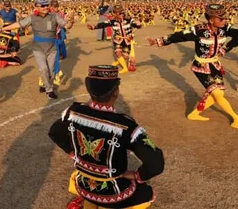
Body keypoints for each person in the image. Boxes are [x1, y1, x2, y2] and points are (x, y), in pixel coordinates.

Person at [49, 65, 164, 209]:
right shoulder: (125, 125)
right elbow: (156, 163)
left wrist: (74, 154)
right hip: (113, 195)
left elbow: (54, 133)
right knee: (148, 194)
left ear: (89, 90)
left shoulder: (73, 112)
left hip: (83, 186)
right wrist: (137, 175)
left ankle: (88, 203)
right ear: (116, 92)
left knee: (79, 181)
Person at [147, 4, 238, 129]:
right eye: (221, 19)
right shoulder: (198, 30)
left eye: (225, 18)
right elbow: (179, 36)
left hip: (215, 65)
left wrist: (227, 48)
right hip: (201, 66)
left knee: (217, 94)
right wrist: (157, 41)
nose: (224, 20)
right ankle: (235, 117)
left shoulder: (225, 28)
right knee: (217, 93)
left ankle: (194, 114)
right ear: (211, 20)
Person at [0, 0, 74, 99]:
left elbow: (67, 26)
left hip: (52, 48)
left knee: (51, 71)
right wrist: (2, 28)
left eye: (46, 5)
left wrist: (71, 20)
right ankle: (49, 90)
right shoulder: (32, 18)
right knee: (43, 68)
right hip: (38, 49)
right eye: (42, 6)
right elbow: (18, 24)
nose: (45, 7)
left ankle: (44, 85)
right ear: (36, 7)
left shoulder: (55, 16)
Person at [87, 5, 142, 74]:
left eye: (119, 13)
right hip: (118, 40)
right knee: (118, 53)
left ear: (123, 13)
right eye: (115, 13)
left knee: (125, 56)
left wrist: (138, 24)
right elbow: (103, 24)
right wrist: (93, 27)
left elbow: (137, 25)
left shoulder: (129, 20)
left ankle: (117, 62)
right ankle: (125, 68)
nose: (118, 15)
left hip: (127, 41)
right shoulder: (112, 21)